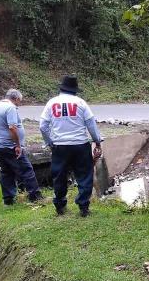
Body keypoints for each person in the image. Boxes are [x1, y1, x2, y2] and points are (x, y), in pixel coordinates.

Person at [39, 75, 103, 217]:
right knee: (84, 175)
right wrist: (97, 141)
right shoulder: (80, 103)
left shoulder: (51, 103)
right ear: (74, 90)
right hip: (80, 145)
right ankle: (83, 207)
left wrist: (49, 142)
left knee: (59, 176)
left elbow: (43, 127)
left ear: (61, 88)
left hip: (59, 146)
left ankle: (60, 206)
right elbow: (91, 125)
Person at [0, 89, 43, 205]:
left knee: (6, 172)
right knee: (27, 170)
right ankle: (35, 197)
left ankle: (8, 200)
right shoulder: (10, 108)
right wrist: (17, 145)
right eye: (19, 101)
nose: (19, 104)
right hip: (10, 146)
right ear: (16, 98)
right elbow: (12, 127)